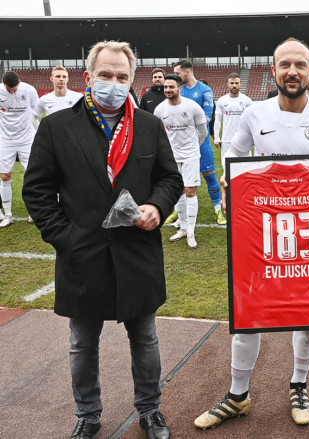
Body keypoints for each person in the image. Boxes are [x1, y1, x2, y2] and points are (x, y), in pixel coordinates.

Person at [22, 40, 183, 439]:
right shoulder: (56, 127)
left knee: (145, 338)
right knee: (82, 343)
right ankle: (88, 415)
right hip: (83, 255)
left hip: (138, 252)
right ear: (88, 76)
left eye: (122, 76)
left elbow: (170, 178)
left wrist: (157, 208)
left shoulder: (149, 125)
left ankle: (150, 410)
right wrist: (68, 239)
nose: (113, 83)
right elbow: (37, 192)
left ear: (133, 79)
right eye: (105, 75)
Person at [194, 37, 309, 430]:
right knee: (249, 311)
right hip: (262, 227)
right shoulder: (255, 114)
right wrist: (236, 193)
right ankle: (237, 395)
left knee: (308, 313)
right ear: (274, 70)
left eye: (300, 64)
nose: (293, 71)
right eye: (285, 64)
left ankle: (298, 384)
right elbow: (233, 155)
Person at [154, 74, 208, 249]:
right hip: (171, 158)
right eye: (166, 87)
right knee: (177, 191)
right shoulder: (160, 110)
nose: (168, 90)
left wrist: (193, 149)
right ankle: (183, 228)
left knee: (190, 190)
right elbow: (159, 135)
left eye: (171, 87)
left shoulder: (192, 107)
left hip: (191, 155)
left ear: (180, 88)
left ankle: (191, 232)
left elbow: (203, 132)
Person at [172, 59, 225, 225]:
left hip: (201, 142)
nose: (176, 76)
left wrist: (193, 132)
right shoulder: (178, 91)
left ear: (187, 72)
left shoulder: (205, 90)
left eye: (178, 73)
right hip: (182, 144)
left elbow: (207, 116)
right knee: (180, 179)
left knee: (209, 176)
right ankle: (178, 211)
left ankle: (219, 211)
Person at [0, 71, 38, 227]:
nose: (11, 92)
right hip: (5, 140)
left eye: (14, 89)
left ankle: (34, 213)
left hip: (26, 139)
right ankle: (8, 215)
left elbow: (36, 112)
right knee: (5, 176)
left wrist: (40, 132)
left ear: (19, 83)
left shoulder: (29, 90)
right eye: (9, 89)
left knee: (32, 175)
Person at [214, 72, 253, 171]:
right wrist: (217, 137)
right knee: (228, 170)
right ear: (227, 84)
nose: (234, 85)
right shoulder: (222, 101)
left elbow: (253, 121)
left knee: (246, 169)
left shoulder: (247, 101)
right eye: (232, 83)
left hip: (244, 140)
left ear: (240, 84)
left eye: (236, 83)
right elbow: (218, 120)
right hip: (227, 140)